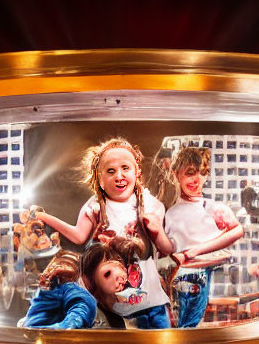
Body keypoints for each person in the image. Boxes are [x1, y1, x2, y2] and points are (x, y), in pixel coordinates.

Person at [33, 137, 170, 329]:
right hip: (109, 303)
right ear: (100, 178)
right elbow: (78, 236)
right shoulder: (95, 205)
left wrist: (157, 231)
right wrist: (46, 218)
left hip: (149, 297)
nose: (119, 176)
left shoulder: (150, 204)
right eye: (111, 171)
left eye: (125, 168)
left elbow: (166, 248)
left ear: (137, 171)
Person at [153, 145, 246, 344]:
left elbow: (236, 231)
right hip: (182, 280)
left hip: (213, 274)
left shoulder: (213, 208)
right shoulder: (169, 213)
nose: (196, 180)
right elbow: (166, 252)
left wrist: (196, 251)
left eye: (202, 173)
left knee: (217, 329)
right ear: (177, 174)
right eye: (190, 173)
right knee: (184, 322)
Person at [19, 251, 97, 330]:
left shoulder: (80, 297)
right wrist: (46, 290)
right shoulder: (46, 293)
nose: (55, 268)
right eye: (52, 266)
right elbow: (33, 324)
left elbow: (72, 323)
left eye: (67, 264)